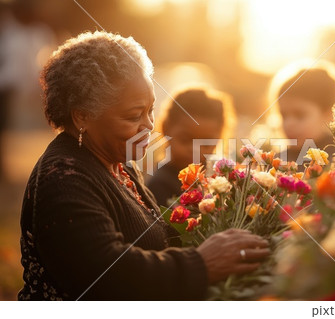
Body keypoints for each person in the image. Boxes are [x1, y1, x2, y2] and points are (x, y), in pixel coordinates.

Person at [18, 31, 269, 301]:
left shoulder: (118, 164)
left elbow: (157, 241)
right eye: (134, 115)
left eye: (150, 111)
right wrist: (202, 264)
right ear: (82, 116)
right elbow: (108, 276)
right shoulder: (63, 179)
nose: (149, 125)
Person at [146, 87, 235, 207]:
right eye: (186, 140)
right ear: (166, 128)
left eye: (206, 143)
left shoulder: (221, 181)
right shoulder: (159, 185)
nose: (195, 150)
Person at [268, 62, 335, 164]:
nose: (289, 123)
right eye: (283, 115)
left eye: (300, 115)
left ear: (328, 114)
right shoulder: (276, 162)